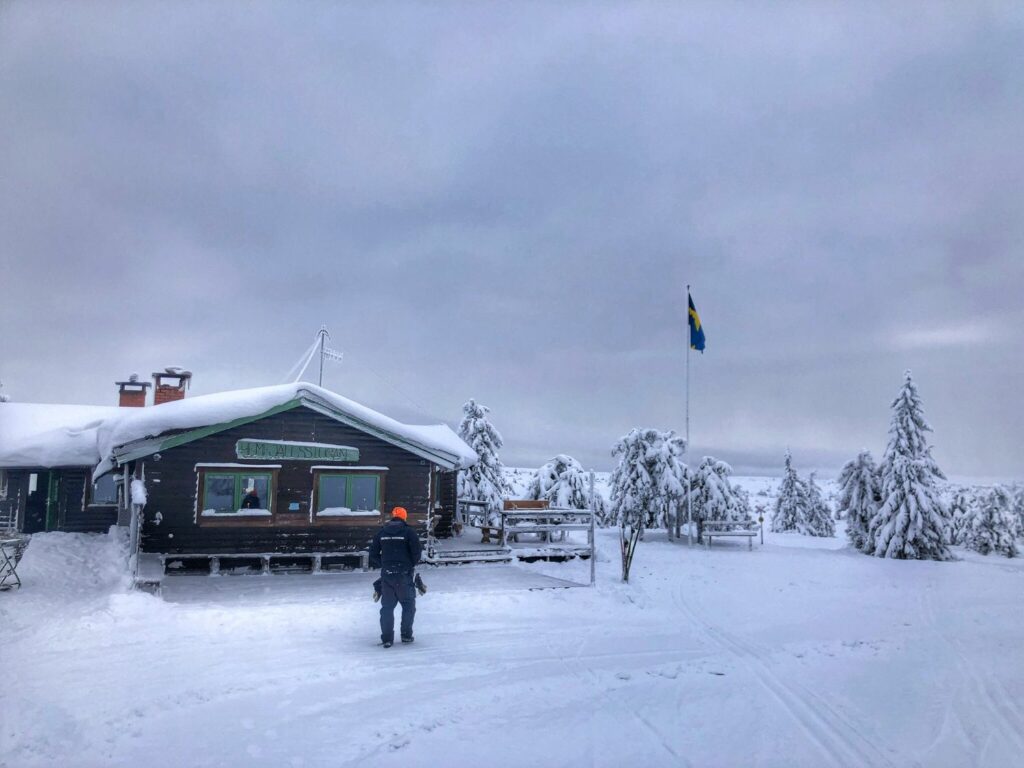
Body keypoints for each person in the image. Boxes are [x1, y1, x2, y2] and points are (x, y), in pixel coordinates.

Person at [369, 506, 422, 647]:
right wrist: (408, 564)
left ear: (392, 517)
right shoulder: (409, 532)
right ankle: (406, 636)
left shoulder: (382, 533)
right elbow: (417, 553)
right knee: (408, 605)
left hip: (387, 576)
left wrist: (385, 564)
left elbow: (372, 554)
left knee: (387, 607)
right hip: (404, 575)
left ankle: (387, 638)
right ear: (404, 517)